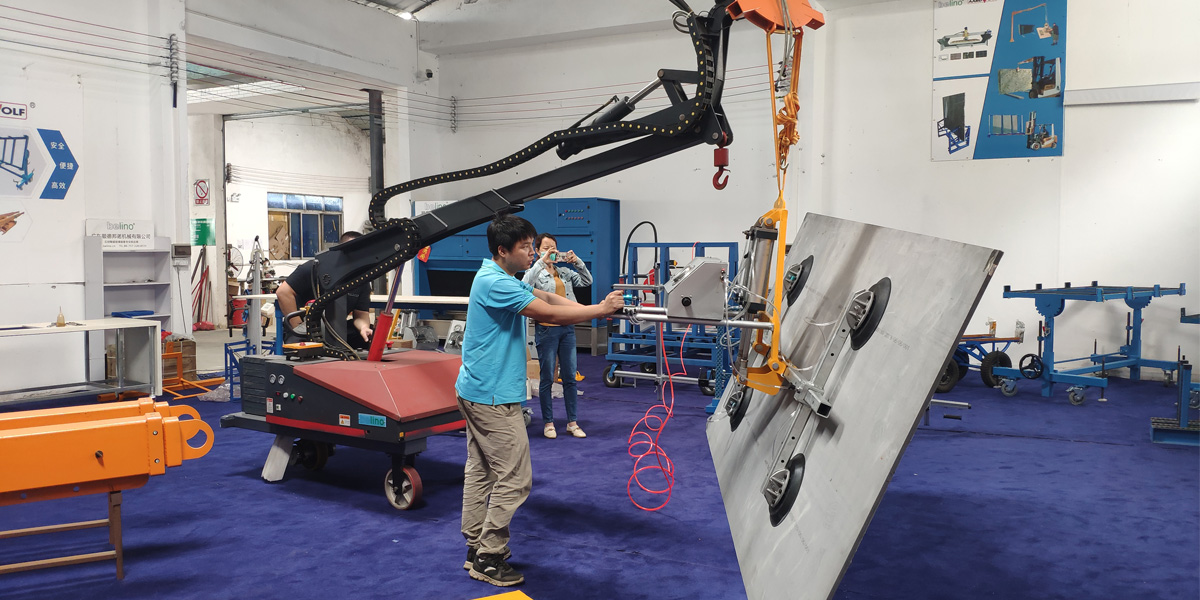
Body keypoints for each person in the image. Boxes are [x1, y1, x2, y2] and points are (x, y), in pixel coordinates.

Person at [456, 215, 622, 587]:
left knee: (481, 471)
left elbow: (546, 297)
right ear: (503, 250)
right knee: (516, 478)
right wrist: (599, 311)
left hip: (478, 389)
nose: (533, 252)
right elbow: (545, 312)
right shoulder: (495, 282)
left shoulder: (501, 276)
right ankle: (489, 556)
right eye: (526, 247)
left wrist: (594, 305)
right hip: (492, 397)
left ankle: (475, 546)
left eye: (533, 245)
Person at [522, 233, 592, 439]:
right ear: (537, 251)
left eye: (553, 248)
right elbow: (523, 285)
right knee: (546, 378)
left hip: (567, 328)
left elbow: (587, 281)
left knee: (570, 377)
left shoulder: (564, 272)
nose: (551, 251)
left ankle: (572, 422)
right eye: (546, 248)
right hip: (546, 330)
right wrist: (541, 263)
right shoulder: (535, 273)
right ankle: (549, 423)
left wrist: (577, 261)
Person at [274, 231, 373, 349]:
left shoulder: (361, 279)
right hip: (307, 327)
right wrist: (298, 327)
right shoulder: (314, 268)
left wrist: (364, 327)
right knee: (300, 349)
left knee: (367, 337)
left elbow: (361, 314)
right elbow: (283, 292)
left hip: (337, 329)